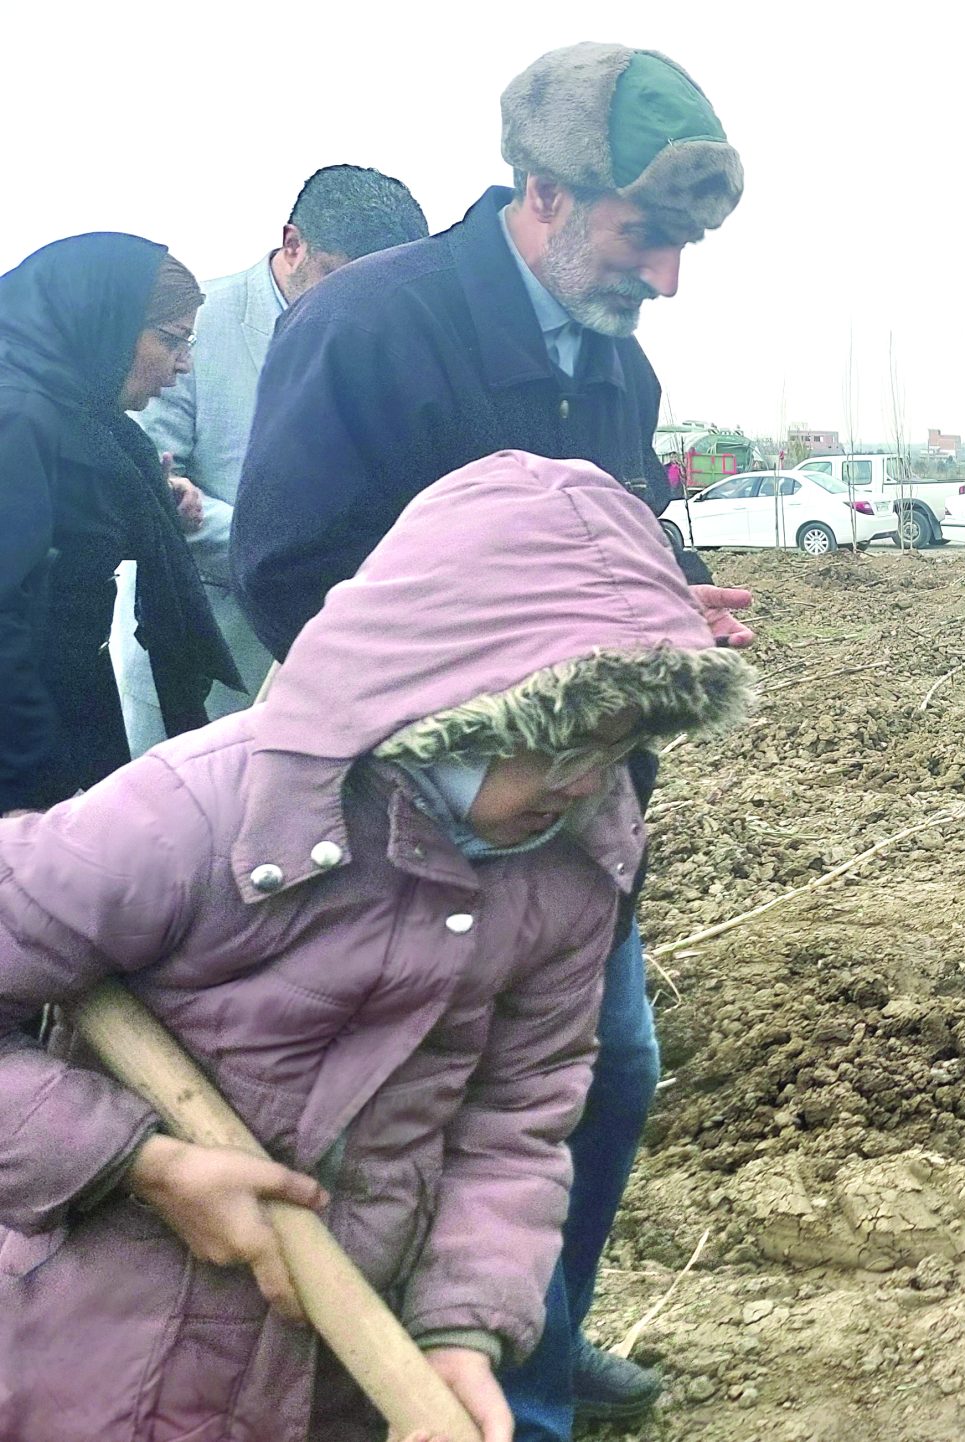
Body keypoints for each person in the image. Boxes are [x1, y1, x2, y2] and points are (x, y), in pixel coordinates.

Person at [0, 451, 754, 1442]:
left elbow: (517, 1120)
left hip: (341, 1367)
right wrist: (138, 1161)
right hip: (97, 1358)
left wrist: (461, 1333)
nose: (589, 782)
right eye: (564, 742)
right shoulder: (197, 813)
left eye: (620, 750)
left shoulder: (574, 867)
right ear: (451, 700)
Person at [231, 42, 750, 1437]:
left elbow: (596, 543)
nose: (670, 276)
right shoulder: (374, 331)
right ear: (546, 193)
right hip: (414, 822)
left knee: (608, 1078)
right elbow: (288, 571)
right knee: (455, 1114)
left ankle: (537, 1322)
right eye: (653, 235)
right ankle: (492, 1390)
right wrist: (479, 725)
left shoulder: (613, 362)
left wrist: (659, 600)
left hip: (574, 819)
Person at [115, 164, 430, 747]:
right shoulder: (191, 331)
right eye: (340, 277)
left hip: (352, 669)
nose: (362, 301)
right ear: (293, 244)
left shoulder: (404, 336)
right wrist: (298, 553)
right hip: (209, 658)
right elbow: (150, 487)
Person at [0, 233, 237, 816]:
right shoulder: (19, 418)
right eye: (172, 340)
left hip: (65, 712)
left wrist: (151, 500)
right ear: (104, 324)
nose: (183, 363)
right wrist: (37, 787)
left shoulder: (77, 411)